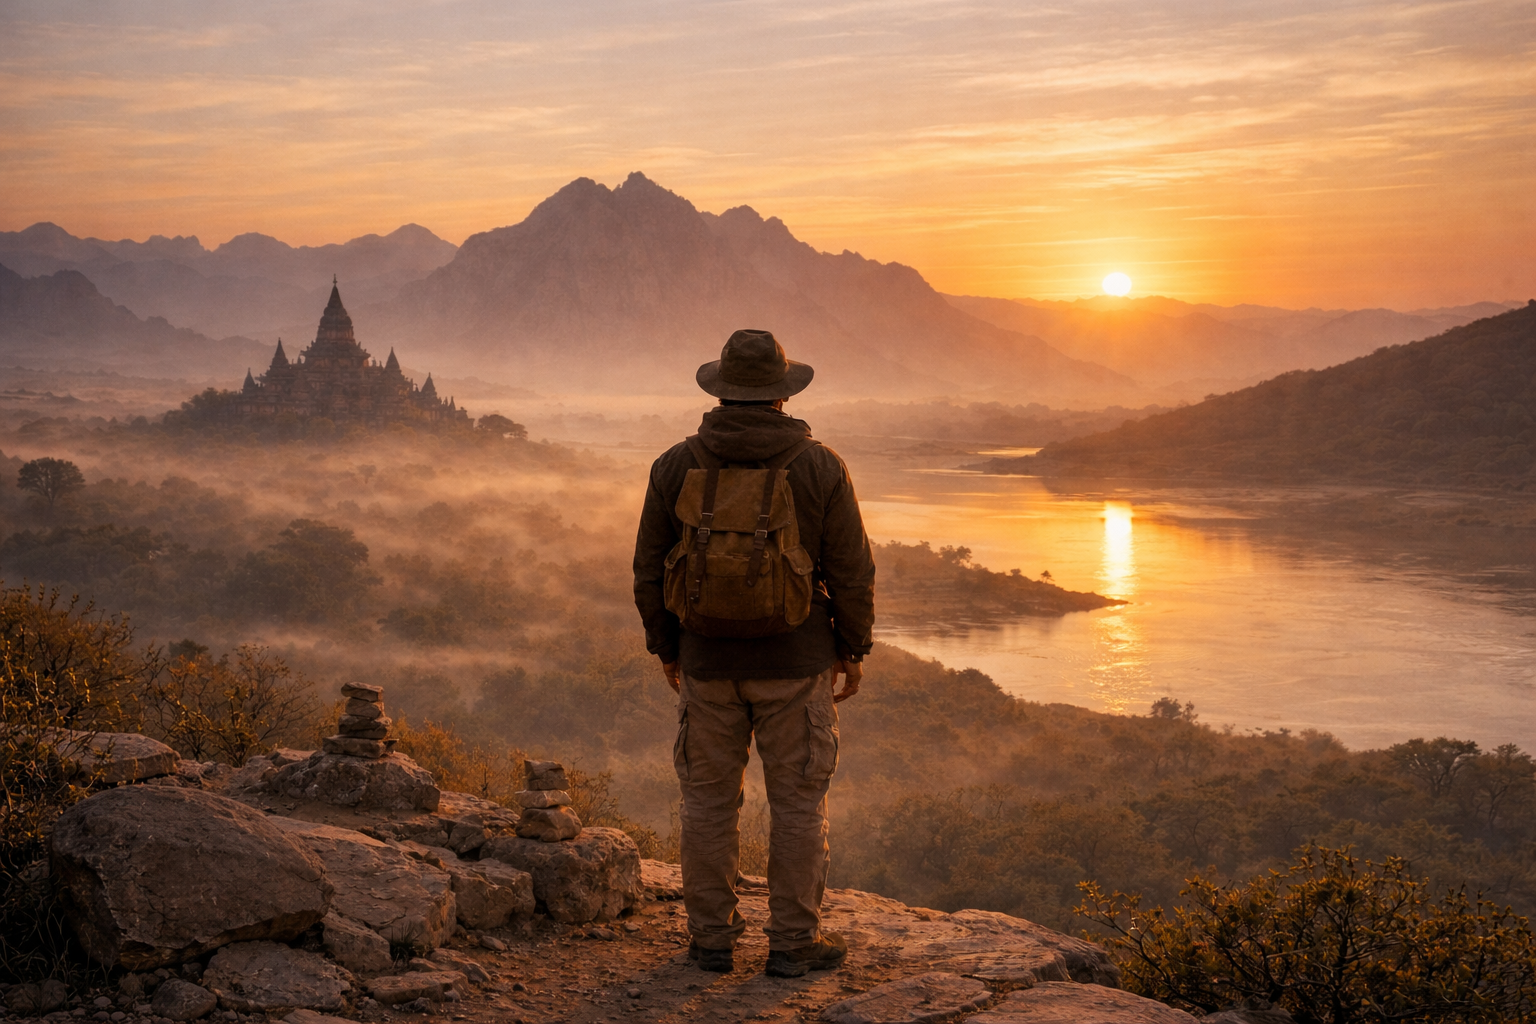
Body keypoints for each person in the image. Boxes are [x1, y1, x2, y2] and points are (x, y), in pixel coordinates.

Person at [632, 329, 876, 978]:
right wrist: (852, 648)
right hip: (796, 666)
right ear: (780, 392)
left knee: (708, 805)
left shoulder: (676, 464)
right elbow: (851, 570)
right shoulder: (819, 466)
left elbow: (648, 569)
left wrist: (667, 646)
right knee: (798, 805)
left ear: (721, 390)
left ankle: (710, 940)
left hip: (707, 665)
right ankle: (794, 943)